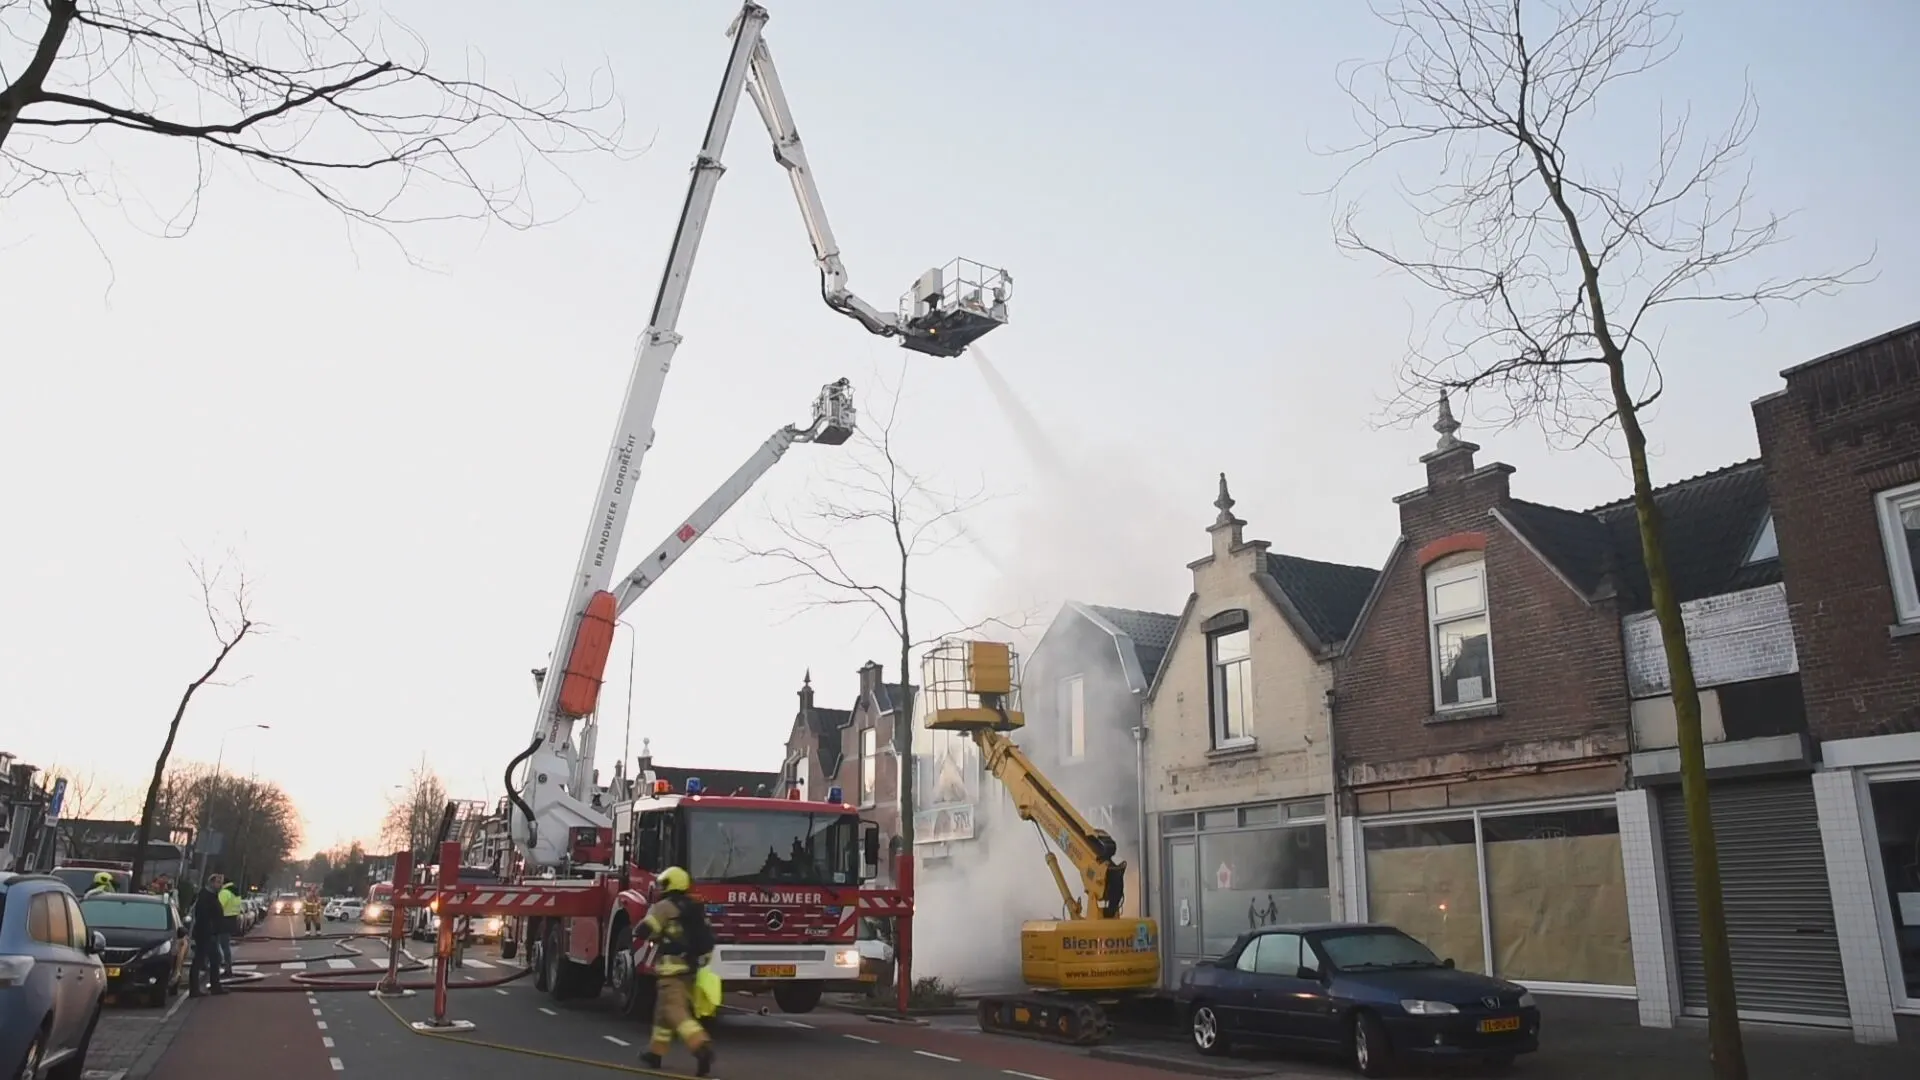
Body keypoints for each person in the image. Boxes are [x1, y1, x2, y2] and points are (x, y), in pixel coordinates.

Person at [636, 866, 715, 1076]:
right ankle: (655, 1053)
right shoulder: (695, 908)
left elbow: (644, 930)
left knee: (674, 1011)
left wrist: (644, 931)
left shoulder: (663, 907)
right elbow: (707, 939)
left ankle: (701, 1046)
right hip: (690, 968)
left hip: (671, 970)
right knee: (662, 1014)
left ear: (670, 884)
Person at [189, 873, 228, 997]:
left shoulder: (212, 895)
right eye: (218, 882)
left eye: (221, 883)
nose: (220, 885)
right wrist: (209, 931)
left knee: (214, 959)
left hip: (211, 933)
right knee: (200, 960)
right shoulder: (206, 896)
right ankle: (195, 989)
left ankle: (214, 986)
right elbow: (203, 916)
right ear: (211, 883)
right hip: (205, 934)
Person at [217, 879, 244, 976]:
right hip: (231, 920)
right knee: (226, 946)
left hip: (222, 920)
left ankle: (219, 967)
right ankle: (228, 968)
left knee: (217, 946)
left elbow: (218, 906)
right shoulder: (235, 892)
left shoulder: (225, 892)